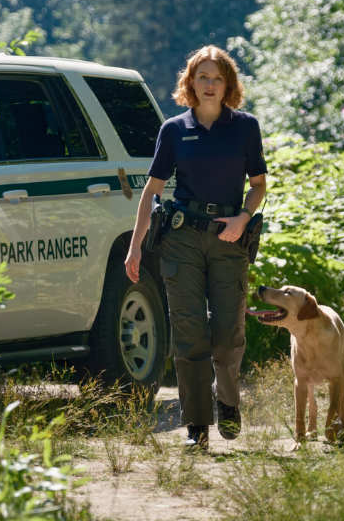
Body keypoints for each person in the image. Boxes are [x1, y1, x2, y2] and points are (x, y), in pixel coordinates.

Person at [125, 46, 267, 450]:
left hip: (230, 237)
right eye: (202, 77)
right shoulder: (173, 129)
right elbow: (150, 192)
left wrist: (242, 218)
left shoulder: (245, 127)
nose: (209, 84)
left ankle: (229, 402)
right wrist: (135, 249)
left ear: (229, 85)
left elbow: (258, 184)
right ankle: (197, 426)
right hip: (182, 238)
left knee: (226, 336)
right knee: (189, 335)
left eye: (217, 78)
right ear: (190, 82)